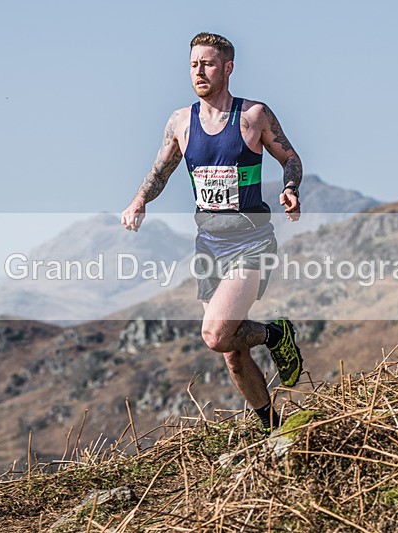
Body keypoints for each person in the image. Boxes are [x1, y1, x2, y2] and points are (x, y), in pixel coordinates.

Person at [121, 32, 303, 432]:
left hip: (251, 241)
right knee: (232, 353)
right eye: (193, 65)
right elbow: (160, 171)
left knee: (217, 335)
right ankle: (273, 427)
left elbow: (290, 158)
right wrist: (139, 201)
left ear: (227, 68)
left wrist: (290, 188)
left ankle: (275, 334)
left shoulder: (253, 115)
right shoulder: (181, 122)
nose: (198, 72)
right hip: (209, 245)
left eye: (207, 64)